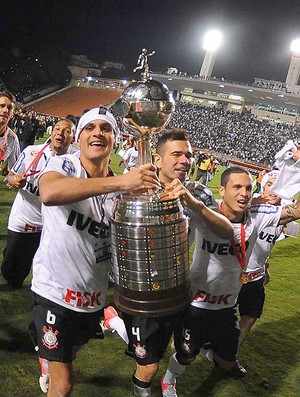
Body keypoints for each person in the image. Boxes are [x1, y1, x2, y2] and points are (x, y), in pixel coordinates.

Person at [29, 107, 160, 396]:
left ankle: (48, 356)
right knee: (62, 386)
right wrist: (122, 183)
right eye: (90, 128)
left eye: (105, 128)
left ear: (115, 139)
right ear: (79, 138)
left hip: (91, 300)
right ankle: (50, 357)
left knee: (70, 353)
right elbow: (49, 193)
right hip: (53, 292)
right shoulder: (64, 165)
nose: (97, 133)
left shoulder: (122, 192)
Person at [161, 165, 300, 396]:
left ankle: (213, 351)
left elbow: (295, 212)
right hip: (197, 302)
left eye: (247, 188)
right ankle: (168, 381)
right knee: (186, 354)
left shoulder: (260, 215)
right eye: (236, 187)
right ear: (222, 190)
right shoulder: (204, 210)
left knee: (227, 360)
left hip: (226, 306)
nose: (243, 193)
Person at [122, 129, 234, 397]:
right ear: (158, 161)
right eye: (176, 154)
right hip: (143, 293)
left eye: (189, 155)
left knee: (186, 351)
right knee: (148, 366)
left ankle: (168, 379)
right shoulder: (135, 189)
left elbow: (226, 232)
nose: (185, 160)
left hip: (180, 290)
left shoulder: (198, 192)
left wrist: (195, 205)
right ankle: (142, 389)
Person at [1, 118, 76, 289]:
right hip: (24, 221)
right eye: (57, 128)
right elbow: (10, 175)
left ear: (72, 137)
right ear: (52, 132)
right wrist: (13, 180)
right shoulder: (31, 152)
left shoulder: (75, 161)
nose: (60, 133)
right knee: (12, 271)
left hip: (52, 225)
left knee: (48, 269)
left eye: (67, 131)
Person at [237, 168, 295, 348]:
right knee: (220, 316)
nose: (275, 190)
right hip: (234, 275)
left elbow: (267, 246)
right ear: (263, 187)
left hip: (256, 277)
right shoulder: (249, 209)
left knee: (249, 318)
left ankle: (230, 355)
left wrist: (266, 268)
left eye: (280, 186)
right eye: (270, 185)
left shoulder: (282, 218)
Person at [0, 90, 20, 176]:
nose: (5, 110)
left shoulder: (12, 138)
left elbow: (15, 169)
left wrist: (11, 179)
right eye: (2, 106)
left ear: (12, 114)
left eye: (9, 108)